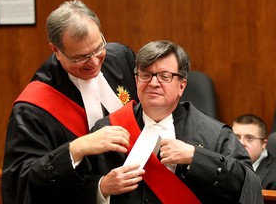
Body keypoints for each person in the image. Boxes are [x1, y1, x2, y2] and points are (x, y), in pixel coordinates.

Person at [87, 40, 264, 204]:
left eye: (165, 76)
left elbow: (248, 183)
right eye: (146, 75)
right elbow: (73, 188)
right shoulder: (107, 128)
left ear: (182, 86)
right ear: (136, 80)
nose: (153, 83)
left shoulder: (215, 134)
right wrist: (102, 186)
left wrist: (196, 158)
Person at [1, 0, 139, 204]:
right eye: (80, 58)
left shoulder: (121, 58)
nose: (93, 63)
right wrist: (74, 149)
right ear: (56, 50)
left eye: (98, 48)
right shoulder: (33, 107)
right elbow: (21, 182)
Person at [232, 113, 276, 190]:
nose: (241, 143)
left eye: (249, 138)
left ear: (263, 144)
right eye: (236, 137)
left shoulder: (274, 175)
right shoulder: (222, 163)